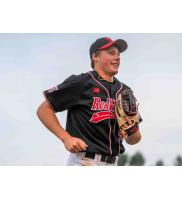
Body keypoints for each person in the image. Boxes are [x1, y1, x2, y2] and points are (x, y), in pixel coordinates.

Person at [36, 37, 143, 166]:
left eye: (119, 54)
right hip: (84, 161)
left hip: (114, 163)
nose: (118, 57)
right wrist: (66, 138)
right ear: (95, 57)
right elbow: (43, 110)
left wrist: (131, 126)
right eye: (111, 53)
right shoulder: (82, 82)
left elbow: (134, 140)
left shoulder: (125, 92)